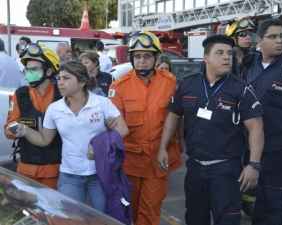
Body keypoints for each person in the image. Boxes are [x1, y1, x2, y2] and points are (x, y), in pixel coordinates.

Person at [158, 35, 264, 225]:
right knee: (195, 218)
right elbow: (174, 115)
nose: (226, 57)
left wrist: (254, 164)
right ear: (205, 57)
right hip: (195, 168)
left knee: (228, 220)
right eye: (220, 53)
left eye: (229, 54)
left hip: (226, 171)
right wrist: (162, 147)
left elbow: (256, 126)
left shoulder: (240, 89)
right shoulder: (188, 85)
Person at [14, 60, 128, 212]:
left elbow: (123, 130)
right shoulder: (54, 109)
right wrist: (25, 131)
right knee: (70, 219)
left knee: (104, 218)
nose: (60, 83)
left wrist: (100, 145)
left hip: (100, 173)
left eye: (66, 78)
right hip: (69, 175)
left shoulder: (102, 103)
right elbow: (44, 140)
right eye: (59, 78)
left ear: (81, 82)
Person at [109, 31, 182, 225]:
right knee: (128, 211)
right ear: (132, 59)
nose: (142, 61)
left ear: (156, 58)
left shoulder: (171, 83)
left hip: (158, 161)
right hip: (131, 163)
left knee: (150, 213)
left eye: (147, 56)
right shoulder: (119, 86)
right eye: (138, 56)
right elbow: (113, 126)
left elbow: (178, 118)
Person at [241, 18, 282, 225]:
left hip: (279, 150)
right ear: (260, 39)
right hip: (251, 148)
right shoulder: (251, 64)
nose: (280, 41)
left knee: (273, 204)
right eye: (273, 37)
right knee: (256, 205)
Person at [4, 44, 61, 189]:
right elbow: (8, 128)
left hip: (56, 170)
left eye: (34, 69)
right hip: (26, 169)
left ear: (49, 71)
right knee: (27, 210)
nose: (29, 73)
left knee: (55, 211)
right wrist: (19, 128)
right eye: (27, 69)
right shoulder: (20, 95)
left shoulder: (62, 95)